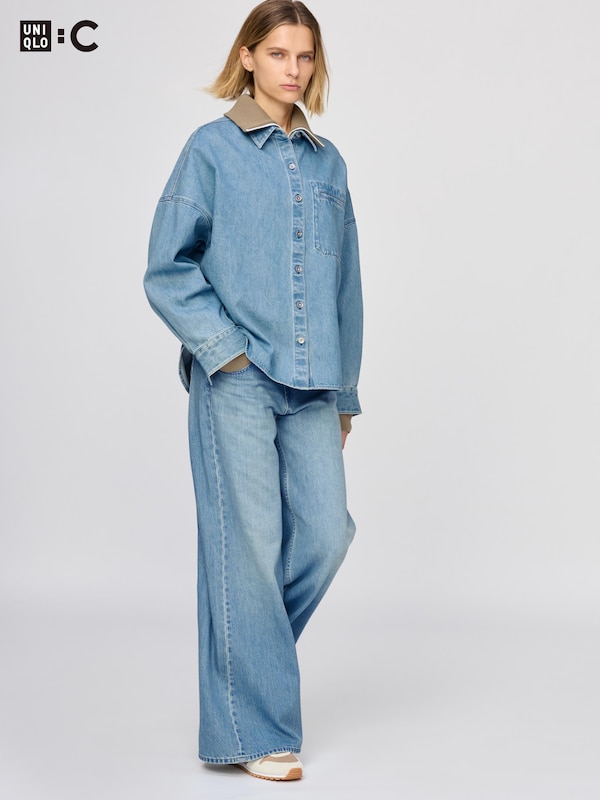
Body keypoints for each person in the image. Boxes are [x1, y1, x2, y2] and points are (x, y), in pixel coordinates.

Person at [144, 0, 363, 782]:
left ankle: (245, 676)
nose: (292, 69)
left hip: (315, 381)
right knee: (250, 545)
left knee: (327, 535)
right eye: (277, 54)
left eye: (304, 56)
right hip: (236, 380)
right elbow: (167, 268)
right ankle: (257, 729)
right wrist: (226, 354)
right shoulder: (210, 150)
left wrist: (346, 393)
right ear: (248, 57)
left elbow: (345, 286)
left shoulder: (329, 164)